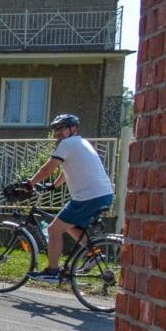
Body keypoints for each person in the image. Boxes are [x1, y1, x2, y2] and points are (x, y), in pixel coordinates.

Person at [27, 113, 115, 281]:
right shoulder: (82, 143)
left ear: (73, 128)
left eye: (62, 128)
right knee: (67, 224)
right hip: (103, 195)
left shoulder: (67, 144)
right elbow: (65, 170)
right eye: (56, 129)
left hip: (88, 197)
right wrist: (53, 186)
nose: (58, 133)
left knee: (53, 229)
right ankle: (93, 255)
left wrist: (29, 184)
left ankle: (52, 271)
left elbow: (48, 169)